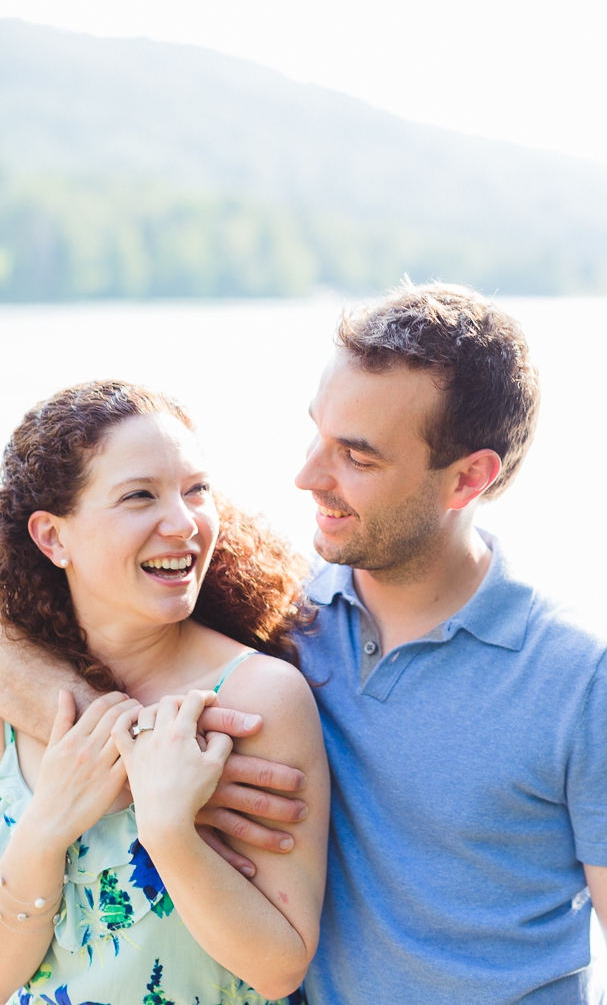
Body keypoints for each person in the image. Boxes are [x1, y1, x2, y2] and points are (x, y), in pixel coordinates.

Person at [0, 284, 607, 1005]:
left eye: (356, 457)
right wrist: (123, 751)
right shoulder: (281, 620)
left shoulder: (583, 684)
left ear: (469, 478)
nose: (306, 477)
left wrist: (148, 789)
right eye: (317, 435)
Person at [0, 382, 329, 1005]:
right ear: (52, 538)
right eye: (139, 496)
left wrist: (168, 828)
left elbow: (279, 966)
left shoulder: (257, 698)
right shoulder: (13, 696)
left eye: (196, 489)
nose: (182, 523)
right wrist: (45, 830)